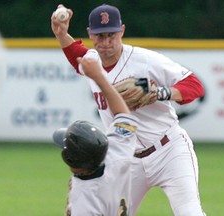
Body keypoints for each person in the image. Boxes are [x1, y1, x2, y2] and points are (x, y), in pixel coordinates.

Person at [51, 4, 207, 216]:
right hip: (127, 159)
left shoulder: (146, 61)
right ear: (90, 34)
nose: (106, 42)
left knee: (190, 213)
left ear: (122, 31)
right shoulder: (91, 62)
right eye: (100, 36)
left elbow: (194, 86)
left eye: (111, 35)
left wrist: (161, 93)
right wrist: (61, 34)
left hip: (169, 150)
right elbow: (75, 54)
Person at [52, 57, 139, 215]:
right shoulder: (117, 154)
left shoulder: (83, 201)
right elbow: (123, 115)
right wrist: (99, 77)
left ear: (69, 159)